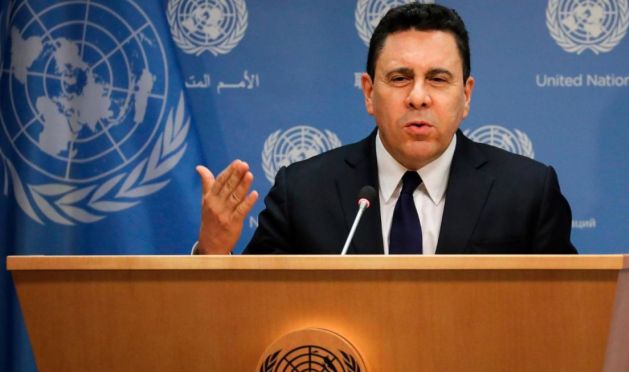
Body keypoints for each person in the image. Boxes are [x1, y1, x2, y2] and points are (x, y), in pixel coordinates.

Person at [194, 3, 576, 255]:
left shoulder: (527, 193)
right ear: (369, 93)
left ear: (466, 95)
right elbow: (254, 310)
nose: (418, 97)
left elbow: (566, 315)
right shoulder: (304, 192)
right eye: (400, 78)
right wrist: (213, 251)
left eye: (438, 79)